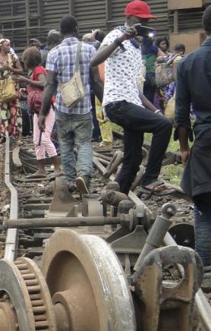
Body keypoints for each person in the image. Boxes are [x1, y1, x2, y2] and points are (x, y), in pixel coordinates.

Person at [91, 0, 174, 196]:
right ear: (128, 19)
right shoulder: (115, 35)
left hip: (131, 102)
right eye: (140, 21)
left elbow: (136, 89)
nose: (143, 25)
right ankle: (150, 179)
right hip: (118, 103)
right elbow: (95, 61)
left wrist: (154, 110)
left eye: (146, 21)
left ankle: (117, 200)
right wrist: (121, 38)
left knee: (133, 159)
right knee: (163, 126)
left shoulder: (138, 48)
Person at [39, 15, 98, 194]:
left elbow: (50, 85)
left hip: (63, 107)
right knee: (84, 143)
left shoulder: (54, 53)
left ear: (60, 31)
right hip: (84, 107)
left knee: (65, 144)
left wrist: (43, 112)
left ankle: (72, 180)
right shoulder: (90, 50)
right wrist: (106, 104)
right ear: (76, 28)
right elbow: (96, 81)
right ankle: (84, 176)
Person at [176, 5, 211, 275]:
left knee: (203, 203)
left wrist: (185, 149)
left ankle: (206, 267)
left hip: (205, 141)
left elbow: (181, 114)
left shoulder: (188, 63)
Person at [15, 47, 62, 178]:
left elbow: (44, 83)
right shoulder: (32, 72)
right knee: (37, 140)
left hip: (46, 107)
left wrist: (26, 81)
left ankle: (58, 167)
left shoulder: (39, 69)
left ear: (28, 60)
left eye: (24, 59)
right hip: (37, 109)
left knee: (45, 138)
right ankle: (41, 169)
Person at [0, 38, 23, 143]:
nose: (9, 47)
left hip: (12, 87)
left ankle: (19, 137)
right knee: (3, 112)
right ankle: (5, 135)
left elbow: (21, 70)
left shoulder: (13, 57)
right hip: (2, 89)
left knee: (16, 111)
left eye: (9, 45)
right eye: (7, 45)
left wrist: (9, 68)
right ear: (1, 47)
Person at [141, 36, 165, 106]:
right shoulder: (155, 49)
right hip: (152, 75)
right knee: (150, 98)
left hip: (141, 77)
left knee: (142, 97)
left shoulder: (139, 49)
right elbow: (164, 57)